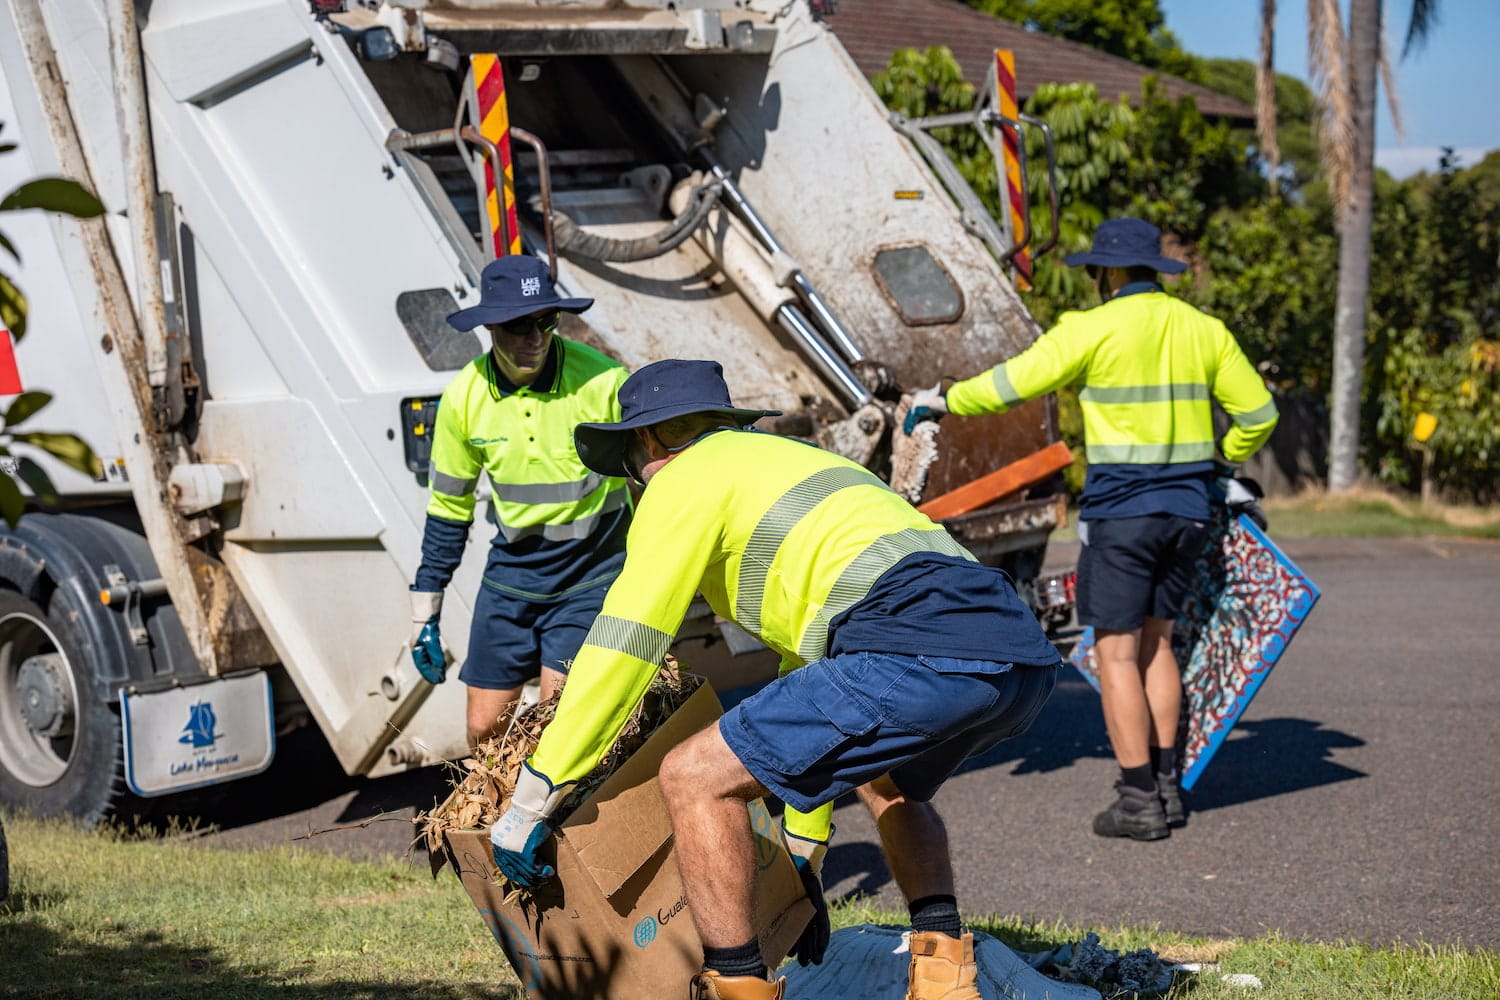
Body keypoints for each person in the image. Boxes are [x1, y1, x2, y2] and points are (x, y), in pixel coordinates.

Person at [488, 359, 1063, 1000]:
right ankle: (944, 978)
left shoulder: (682, 482)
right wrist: (801, 852)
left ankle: (739, 985)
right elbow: (812, 678)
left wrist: (533, 798)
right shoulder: (788, 461)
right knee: (888, 781)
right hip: (1016, 654)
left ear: (647, 442)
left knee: (695, 777)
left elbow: (626, 641)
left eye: (628, 460)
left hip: (916, 642)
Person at [905, 217, 1279, 842]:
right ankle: (1165, 788)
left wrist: (945, 399)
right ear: (1155, 273)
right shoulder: (1203, 329)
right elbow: (1259, 414)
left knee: (1116, 652)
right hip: (1189, 512)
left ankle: (1136, 802)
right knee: (1159, 646)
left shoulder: (1091, 328)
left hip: (1123, 517)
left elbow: (1012, 384)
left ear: (1105, 274)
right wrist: (1221, 460)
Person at [408, 254, 632, 749]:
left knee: (560, 723)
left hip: (591, 571)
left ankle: (563, 826)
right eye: (517, 327)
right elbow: (449, 508)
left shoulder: (604, 383)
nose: (535, 338)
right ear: (489, 328)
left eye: (545, 322)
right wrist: (426, 609)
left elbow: (659, 477)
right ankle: (497, 821)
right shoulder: (464, 399)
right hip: (513, 575)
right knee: (485, 731)